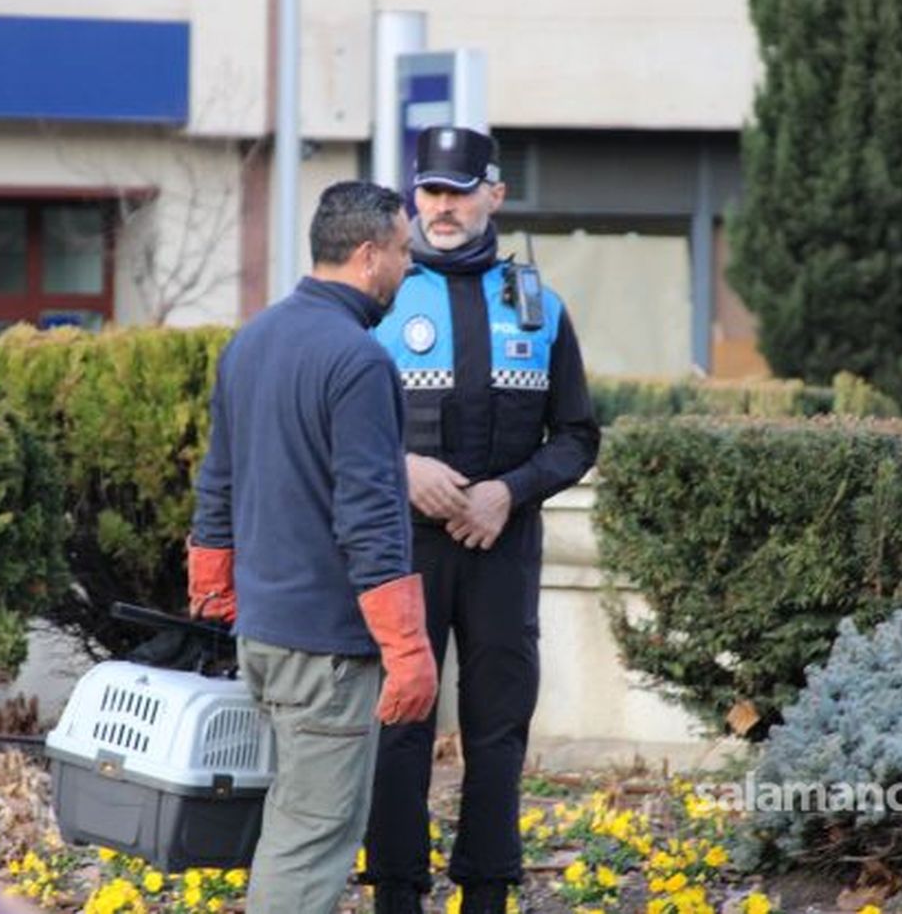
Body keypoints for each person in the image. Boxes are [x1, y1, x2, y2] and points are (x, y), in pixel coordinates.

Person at [362, 127, 601, 914]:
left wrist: (511, 491)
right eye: (429, 190)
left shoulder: (542, 305)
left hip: (502, 548)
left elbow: (577, 436)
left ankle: (488, 891)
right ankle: (396, 892)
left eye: (459, 191)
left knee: (499, 727)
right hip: (405, 552)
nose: (442, 207)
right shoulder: (377, 300)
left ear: (493, 195)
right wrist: (403, 470)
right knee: (402, 721)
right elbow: (337, 428)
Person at [188, 181, 440, 914]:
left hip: (265, 636)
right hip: (327, 654)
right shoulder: (358, 362)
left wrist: (214, 590)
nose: (407, 267)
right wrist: (408, 646)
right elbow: (370, 517)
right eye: (402, 252)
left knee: (289, 827)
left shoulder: (252, 340)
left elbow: (218, 484)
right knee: (310, 840)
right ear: (368, 256)